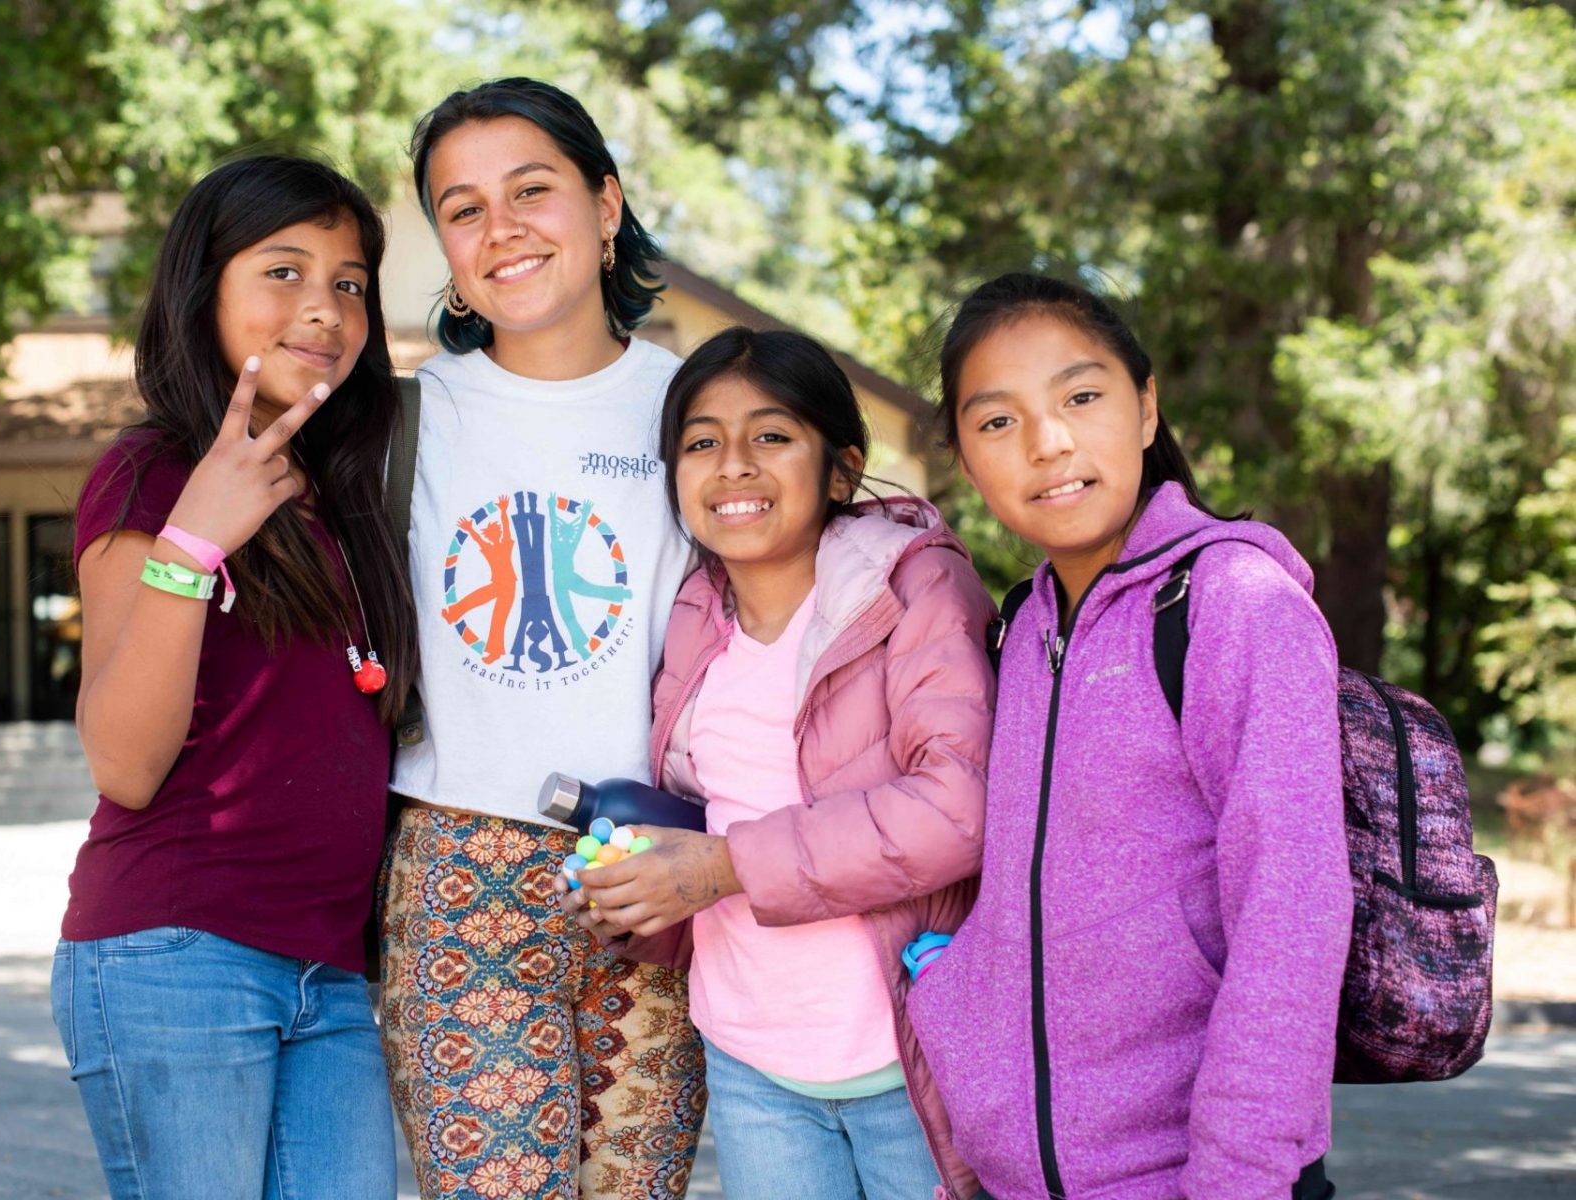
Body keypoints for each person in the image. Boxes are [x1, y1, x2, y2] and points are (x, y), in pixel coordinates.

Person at [909, 271, 1352, 1200]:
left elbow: (1293, 919)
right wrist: (956, 1016)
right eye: (996, 421)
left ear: (1145, 409)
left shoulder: (1234, 604)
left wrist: (1236, 1182)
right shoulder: (1022, 626)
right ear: (961, 453)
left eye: (1080, 396)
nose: (1048, 443)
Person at [52, 154, 415, 1199]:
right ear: (202, 289)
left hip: (329, 974)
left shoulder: (341, 495)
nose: (326, 309)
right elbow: (124, 760)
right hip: (176, 953)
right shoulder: (151, 474)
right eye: (283, 272)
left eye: (349, 283)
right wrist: (191, 544)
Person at [567, 327, 995, 1200]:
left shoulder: (912, 590)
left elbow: (960, 808)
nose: (732, 464)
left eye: (769, 435)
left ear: (839, 469)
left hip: (905, 1066)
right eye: (700, 442)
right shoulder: (692, 613)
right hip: (752, 1063)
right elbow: (701, 824)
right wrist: (639, 898)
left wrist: (724, 866)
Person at [379, 78, 703, 1199]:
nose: (499, 228)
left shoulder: (695, 409)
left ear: (606, 205)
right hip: (460, 871)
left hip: (654, 871)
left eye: (532, 190)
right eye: (461, 209)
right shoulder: (403, 420)